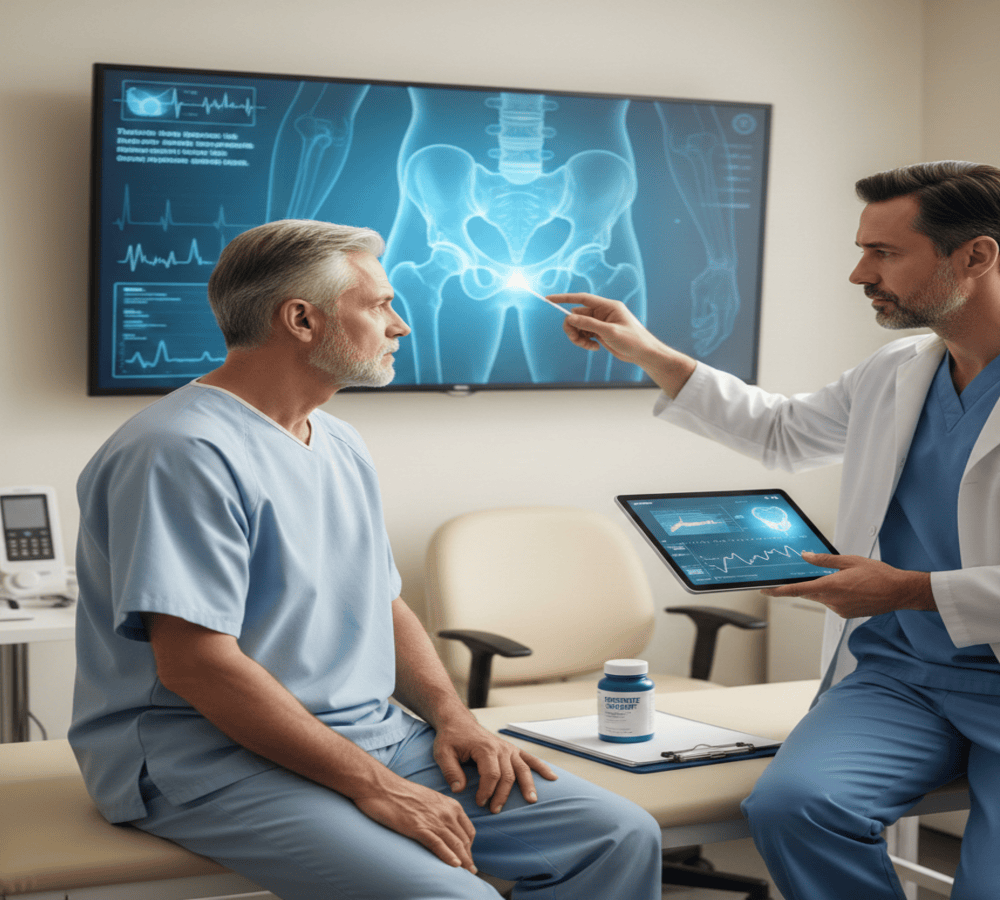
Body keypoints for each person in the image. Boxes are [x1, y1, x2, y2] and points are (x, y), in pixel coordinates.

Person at [550, 161, 1000, 900]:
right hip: (904, 680)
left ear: (976, 257)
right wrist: (647, 351)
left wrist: (912, 590)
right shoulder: (898, 371)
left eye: (883, 253)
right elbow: (784, 432)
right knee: (797, 808)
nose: (860, 273)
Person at [69, 219, 662, 900]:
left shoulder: (339, 441)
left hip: (376, 735)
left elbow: (383, 602)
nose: (400, 326)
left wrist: (453, 717)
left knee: (619, 836)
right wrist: (376, 787)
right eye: (379, 305)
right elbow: (199, 664)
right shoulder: (180, 451)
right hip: (209, 756)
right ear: (301, 320)